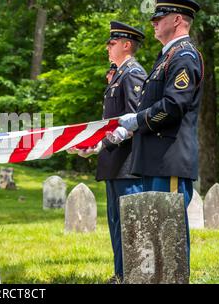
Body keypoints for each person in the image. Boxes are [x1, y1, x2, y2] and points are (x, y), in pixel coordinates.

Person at [108, 0, 203, 276]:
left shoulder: (184, 55)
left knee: (168, 231)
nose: (153, 23)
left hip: (170, 157)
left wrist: (136, 121)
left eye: (159, 18)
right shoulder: (167, 57)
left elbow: (174, 105)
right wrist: (128, 129)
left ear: (177, 20)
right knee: (154, 232)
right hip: (155, 157)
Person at [68, 21, 147, 283]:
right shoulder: (119, 75)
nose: (107, 47)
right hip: (114, 162)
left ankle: (131, 275)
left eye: (112, 43)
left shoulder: (133, 73)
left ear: (126, 45)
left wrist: (106, 144)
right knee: (116, 222)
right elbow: (112, 123)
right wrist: (94, 145)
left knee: (128, 223)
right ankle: (121, 274)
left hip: (127, 163)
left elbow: (135, 121)